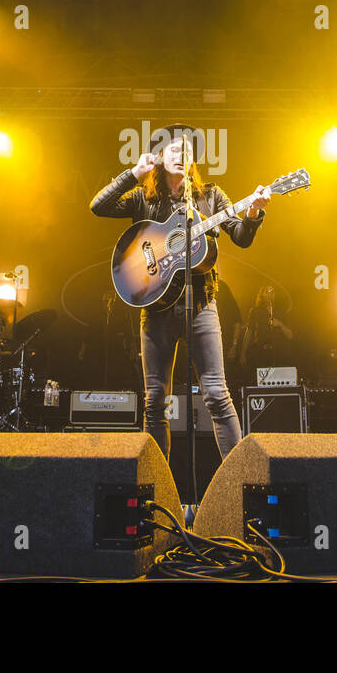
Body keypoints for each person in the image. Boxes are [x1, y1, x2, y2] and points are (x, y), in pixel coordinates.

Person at [90, 127, 270, 459]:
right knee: (154, 400)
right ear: (159, 158)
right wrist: (133, 174)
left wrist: (254, 211)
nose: (180, 153)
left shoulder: (211, 196)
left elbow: (242, 237)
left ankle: (241, 480)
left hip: (201, 304)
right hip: (155, 308)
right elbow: (98, 206)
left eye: (185, 150)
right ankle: (157, 491)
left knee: (217, 394)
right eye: (172, 149)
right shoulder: (145, 197)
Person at [240, 286, 293, 382]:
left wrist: (280, 324)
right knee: (260, 381)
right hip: (260, 353)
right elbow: (249, 332)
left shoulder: (281, 312)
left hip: (278, 354)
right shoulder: (255, 311)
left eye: (272, 292)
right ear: (262, 295)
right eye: (267, 292)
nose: (269, 294)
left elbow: (290, 335)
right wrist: (243, 352)